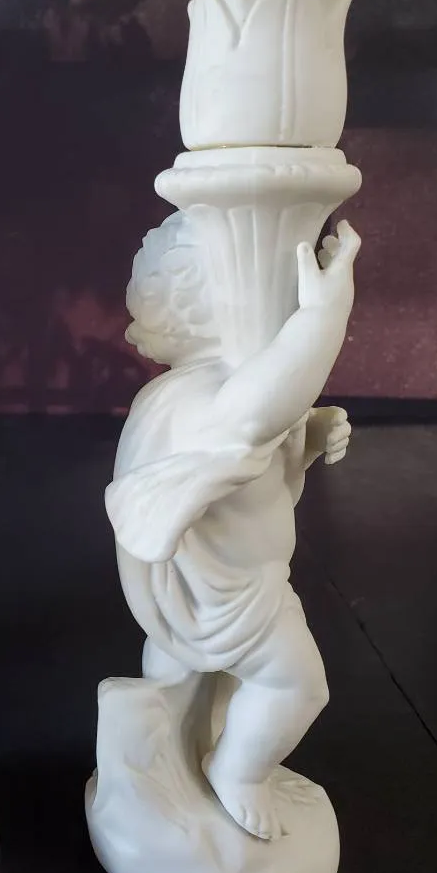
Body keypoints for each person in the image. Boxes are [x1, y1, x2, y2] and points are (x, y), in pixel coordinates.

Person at [106, 212, 359, 840]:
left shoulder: (204, 394)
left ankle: (160, 753)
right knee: (298, 687)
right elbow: (252, 420)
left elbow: (252, 458)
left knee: (178, 679)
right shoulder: (204, 397)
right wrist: (324, 316)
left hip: (216, 582)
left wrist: (309, 435)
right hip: (231, 595)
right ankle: (237, 772)